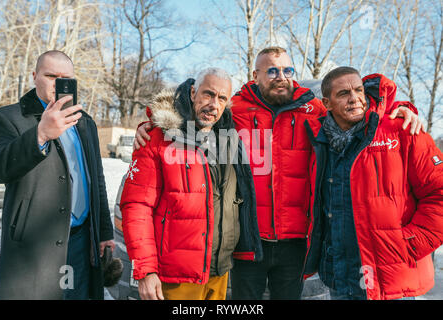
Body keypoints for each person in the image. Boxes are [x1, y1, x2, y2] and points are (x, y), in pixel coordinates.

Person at [133, 47, 424, 300]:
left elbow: (356, 110)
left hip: (296, 243)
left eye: (287, 69)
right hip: (248, 242)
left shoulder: (315, 109)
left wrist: (399, 109)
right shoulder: (234, 109)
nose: (281, 76)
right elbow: (191, 110)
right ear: (255, 74)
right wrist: (152, 124)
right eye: (271, 70)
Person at [119, 68, 262, 300]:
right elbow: (136, 206)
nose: (214, 104)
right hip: (175, 277)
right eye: (208, 94)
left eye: (222, 98)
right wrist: (146, 270)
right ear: (193, 92)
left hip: (219, 272)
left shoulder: (229, 138)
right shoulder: (158, 137)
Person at [303, 67, 443, 300]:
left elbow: (438, 192)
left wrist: (408, 244)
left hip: (392, 280)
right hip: (339, 277)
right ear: (327, 103)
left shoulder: (402, 130)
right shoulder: (320, 143)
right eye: (343, 93)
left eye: (358, 90)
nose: (355, 98)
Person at [0, 50, 115, 300]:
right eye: (50, 75)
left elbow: (97, 181)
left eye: (66, 77)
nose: (58, 83)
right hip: (34, 249)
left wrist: (104, 233)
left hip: (80, 242)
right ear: (34, 76)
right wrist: (40, 135)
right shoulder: (8, 118)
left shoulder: (85, 122)